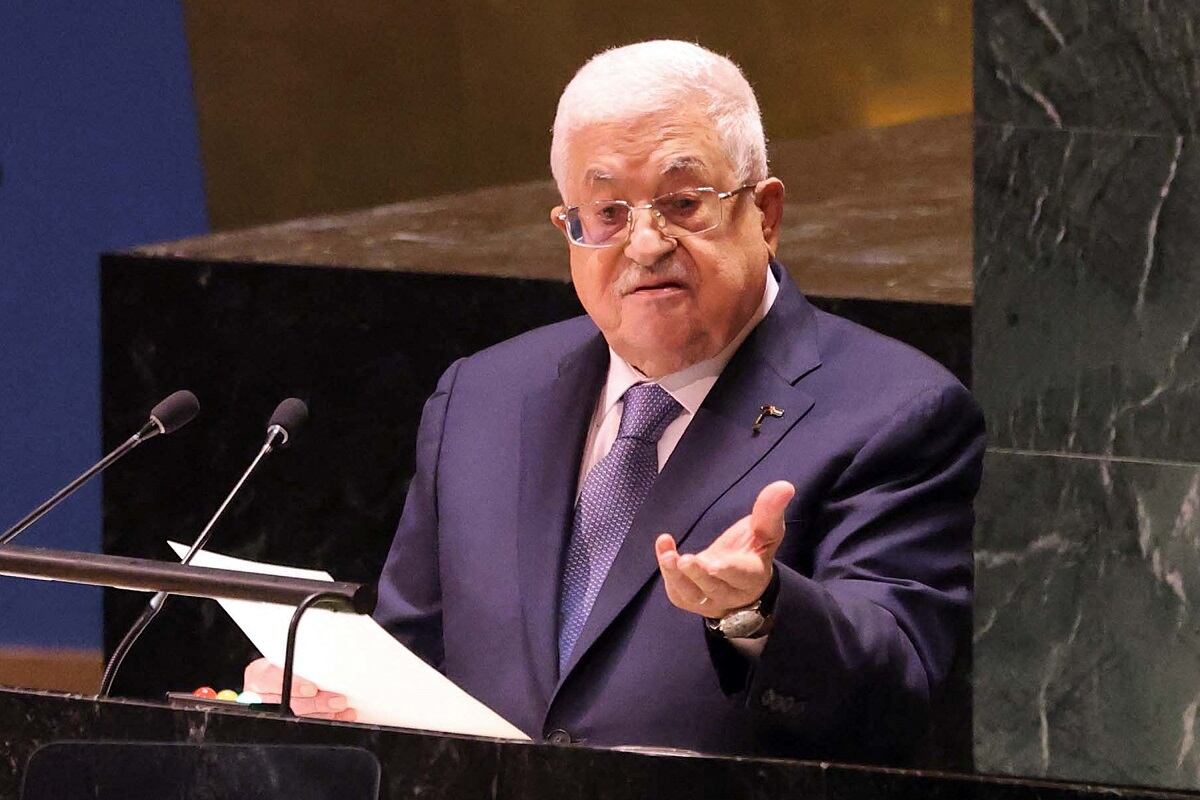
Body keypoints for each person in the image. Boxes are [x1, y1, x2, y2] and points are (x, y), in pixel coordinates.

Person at [247, 39, 985, 763]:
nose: (644, 244)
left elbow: (897, 688)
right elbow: (412, 659)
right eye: (605, 212)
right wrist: (324, 692)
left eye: (683, 202)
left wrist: (758, 610)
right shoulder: (483, 398)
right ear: (567, 228)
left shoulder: (895, 410)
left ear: (765, 213)